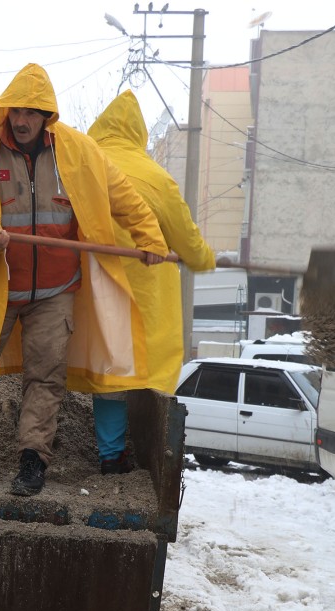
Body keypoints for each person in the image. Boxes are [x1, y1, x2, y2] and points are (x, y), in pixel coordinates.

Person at [0, 63, 169, 497]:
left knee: (45, 378)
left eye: (31, 112)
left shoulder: (79, 152)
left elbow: (122, 196)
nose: (22, 120)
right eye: (16, 111)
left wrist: (151, 239)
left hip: (55, 291)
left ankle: (33, 461)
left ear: (47, 115)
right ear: (6, 112)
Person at [87, 90, 216, 473]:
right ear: (138, 134)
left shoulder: (82, 165)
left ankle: (111, 454)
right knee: (152, 373)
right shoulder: (157, 179)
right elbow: (188, 242)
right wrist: (206, 259)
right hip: (148, 296)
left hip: (97, 289)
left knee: (110, 372)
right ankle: (151, 452)